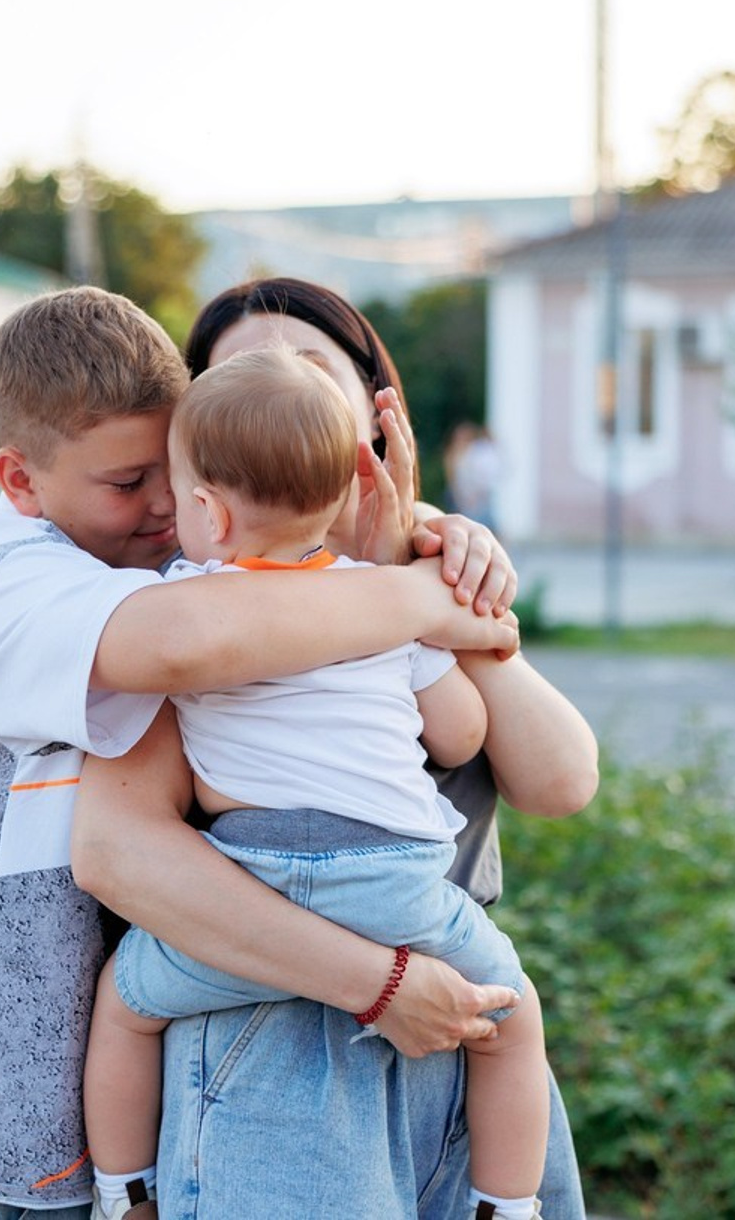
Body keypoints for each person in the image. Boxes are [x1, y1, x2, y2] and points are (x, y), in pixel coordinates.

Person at [0, 286, 522, 1219]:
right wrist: (422, 599)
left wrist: (419, 545)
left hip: (77, 1134)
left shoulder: (125, 567)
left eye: (173, 471)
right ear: (20, 480)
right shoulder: (12, 582)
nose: (167, 508)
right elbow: (190, 640)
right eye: (128, 484)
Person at [74, 277, 600, 1218]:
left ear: (373, 417)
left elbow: (560, 780)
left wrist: (425, 585)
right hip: (279, 1046)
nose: (268, 414)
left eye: (303, 379)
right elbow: (115, 846)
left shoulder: (424, 572)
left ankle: (126, 1194)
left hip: (453, 1063)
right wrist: (382, 982)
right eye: (232, 391)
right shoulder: (183, 605)